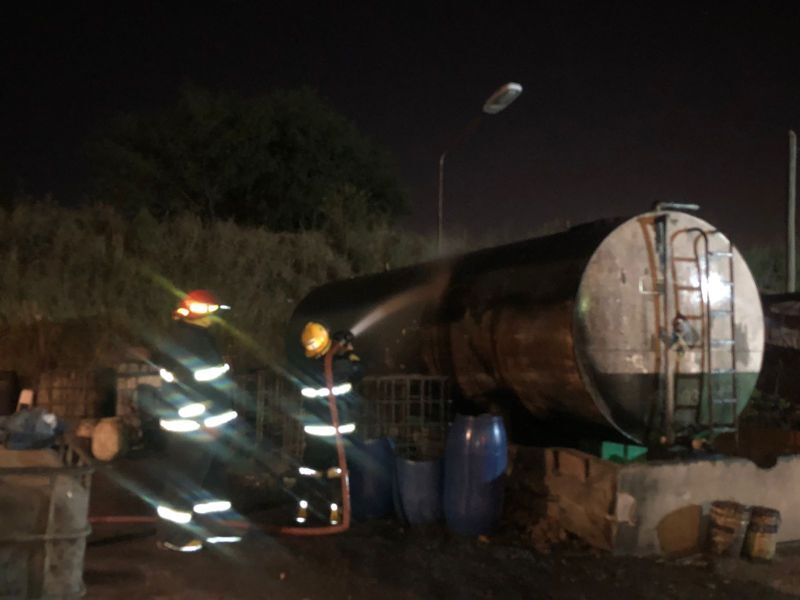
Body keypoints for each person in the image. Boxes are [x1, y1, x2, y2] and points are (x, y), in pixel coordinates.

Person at [151, 289, 241, 551]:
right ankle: (173, 537)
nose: (215, 318)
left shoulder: (190, 337)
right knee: (184, 483)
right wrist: (206, 423)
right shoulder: (192, 341)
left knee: (209, 479)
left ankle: (213, 526)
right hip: (195, 428)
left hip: (201, 426)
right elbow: (194, 391)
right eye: (212, 313)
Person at [293, 321, 363, 526]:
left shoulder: (308, 368)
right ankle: (337, 514)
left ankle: (302, 511)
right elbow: (358, 369)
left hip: (314, 435)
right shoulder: (339, 365)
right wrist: (349, 351)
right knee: (337, 474)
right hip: (336, 434)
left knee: (309, 472)